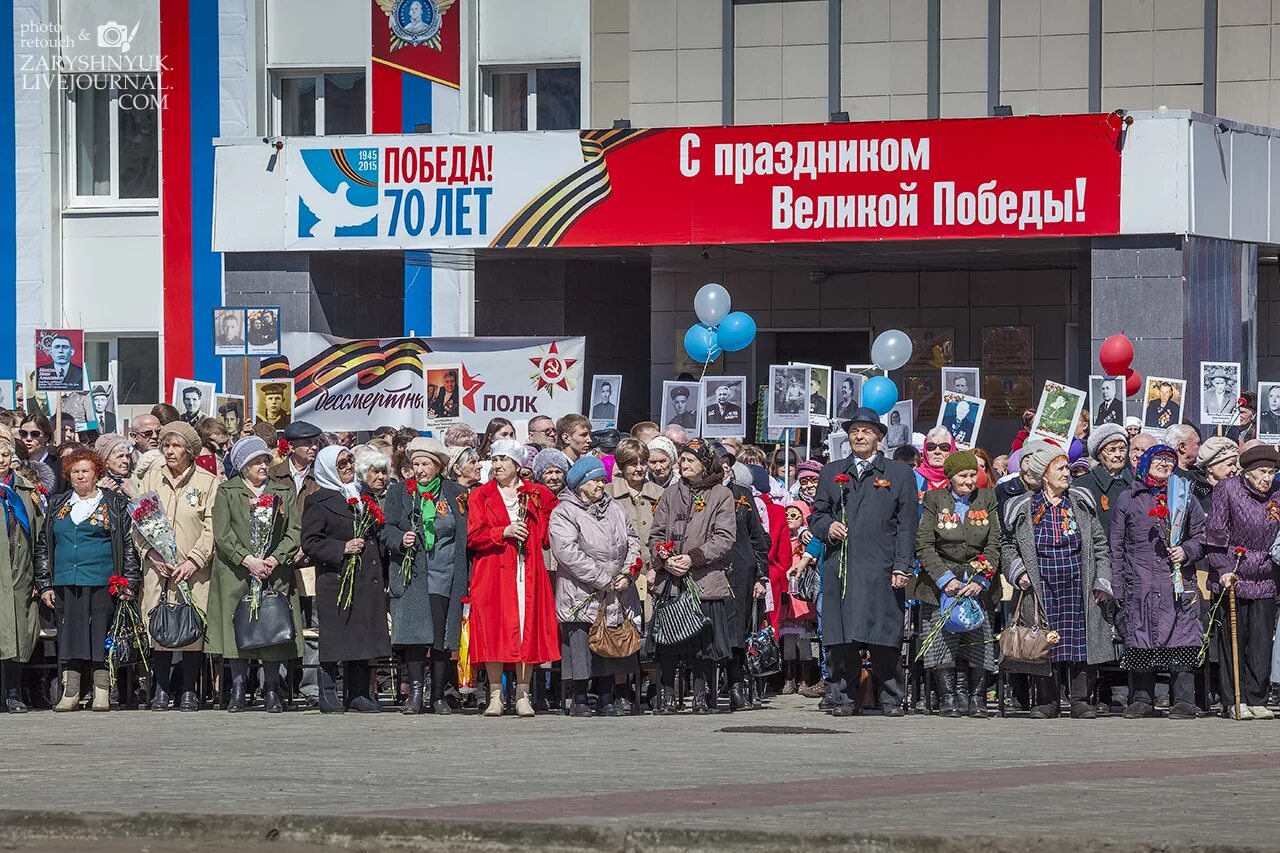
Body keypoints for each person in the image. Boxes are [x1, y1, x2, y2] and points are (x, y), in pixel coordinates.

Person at [808, 408, 918, 716]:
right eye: (854, 431)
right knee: (841, 637)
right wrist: (827, 527)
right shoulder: (832, 472)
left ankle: (891, 699)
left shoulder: (898, 473)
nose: (859, 436)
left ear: (879, 437)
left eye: (866, 431)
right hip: (841, 567)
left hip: (882, 567)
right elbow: (817, 515)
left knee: (884, 634)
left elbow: (908, 524)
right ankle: (844, 698)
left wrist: (902, 565)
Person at [1000, 444, 1115, 719]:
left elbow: (1099, 544)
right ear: (1044, 474)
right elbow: (1008, 546)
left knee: (1081, 641)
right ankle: (1047, 701)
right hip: (1040, 587)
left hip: (1079, 584)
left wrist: (1101, 581)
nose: (1067, 473)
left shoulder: (1080, 502)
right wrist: (1019, 572)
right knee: (1043, 642)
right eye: (1060, 468)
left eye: (1067, 468)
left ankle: (1080, 701)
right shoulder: (1022, 507)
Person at [36, 446, 140, 712]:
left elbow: (127, 544)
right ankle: (70, 692)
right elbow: (44, 545)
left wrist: (129, 581)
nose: (80, 476)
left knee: (100, 636)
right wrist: (45, 583)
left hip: (103, 582)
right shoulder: (58, 503)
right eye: (75, 472)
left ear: (97, 474)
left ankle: (101, 690)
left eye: (85, 471)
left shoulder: (113, 503)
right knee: (69, 637)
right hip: (66, 582)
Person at [206, 437, 303, 713]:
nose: (263, 466)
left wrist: (274, 558)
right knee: (237, 628)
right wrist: (247, 560)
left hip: (273, 572)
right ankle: (238, 690)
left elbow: (294, 531)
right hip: (236, 572)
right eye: (256, 461)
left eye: (265, 460)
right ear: (243, 466)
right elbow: (222, 533)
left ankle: (271, 689)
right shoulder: (227, 491)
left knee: (271, 626)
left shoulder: (281, 491)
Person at [1109, 444, 1206, 720]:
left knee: (1182, 638)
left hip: (1176, 584)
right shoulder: (1128, 498)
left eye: (1169, 460)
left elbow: (1201, 536)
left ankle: (1184, 700)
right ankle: (1142, 699)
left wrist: (1186, 550)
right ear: (1145, 464)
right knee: (1141, 637)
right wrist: (1118, 586)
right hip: (1139, 583)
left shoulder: (1185, 497)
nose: (1164, 464)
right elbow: (1116, 547)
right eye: (1159, 460)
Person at [466, 438, 560, 717]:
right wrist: (502, 532)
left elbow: (549, 532)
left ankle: (522, 693)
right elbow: (474, 536)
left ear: (518, 465)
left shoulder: (537, 494)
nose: (497, 465)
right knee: (493, 628)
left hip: (526, 570)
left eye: (503, 460)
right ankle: (495, 694)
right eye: (494, 460)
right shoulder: (481, 495)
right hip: (493, 570)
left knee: (526, 627)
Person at [134, 422, 220, 712]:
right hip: (158, 569)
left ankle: (188, 690)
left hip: (193, 571)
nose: (170, 451)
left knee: (190, 628)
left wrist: (194, 560)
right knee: (159, 628)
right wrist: (151, 554)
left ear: (190, 450)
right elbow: (138, 522)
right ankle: (161, 689)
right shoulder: (151, 478)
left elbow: (212, 527)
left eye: (176, 446)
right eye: (166, 446)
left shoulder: (207, 482)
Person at [646, 439, 735, 714]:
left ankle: (700, 695)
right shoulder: (671, 493)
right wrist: (664, 558)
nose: (683, 464)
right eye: (682, 460)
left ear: (704, 464)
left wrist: (693, 558)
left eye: (690, 460)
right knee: (668, 640)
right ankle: (668, 695)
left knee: (702, 642)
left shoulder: (721, 494)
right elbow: (655, 535)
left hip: (703, 578)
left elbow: (724, 537)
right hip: (671, 578)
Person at [548, 456, 642, 717]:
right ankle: (579, 699)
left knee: (609, 641)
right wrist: (602, 578)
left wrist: (627, 573)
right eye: (596, 480)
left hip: (616, 589)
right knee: (580, 643)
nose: (602, 485)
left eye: (603, 480)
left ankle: (606, 697)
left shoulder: (615, 508)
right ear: (581, 484)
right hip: (580, 591)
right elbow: (566, 551)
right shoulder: (564, 512)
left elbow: (633, 541)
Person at [380, 438, 468, 715]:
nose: (419, 470)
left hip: (445, 572)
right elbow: (386, 529)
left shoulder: (456, 493)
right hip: (412, 574)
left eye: (425, 464)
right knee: (414, 635)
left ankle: (438, 695)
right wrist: (400, 538)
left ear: (438, 466)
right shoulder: (399, 492)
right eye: (415, 464)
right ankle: (416, 694)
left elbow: (464, 531)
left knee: (441, 636)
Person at [302, 446, 392, 714]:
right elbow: (310, 542)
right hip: (337, 578)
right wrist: (341, 548)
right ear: (329, 468)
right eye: (341, 463)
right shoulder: (319, 500)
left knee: (363, 634)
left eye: (350, 460)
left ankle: (358, 693)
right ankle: (328, 692)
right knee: (336, 636)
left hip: (366, 577)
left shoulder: (363, 494)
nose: (348, 466)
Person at [913, 450, 1001, 717]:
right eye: (963, 476)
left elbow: (994, 543)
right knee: (942, 641)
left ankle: (977, 698)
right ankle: (947, 696)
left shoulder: (986, 498)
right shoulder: (935, 499)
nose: (969, 481)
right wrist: (945, 579)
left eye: (973, 475)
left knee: (979, 642)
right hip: (942, 582)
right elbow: (924, 544)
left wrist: (981, 579)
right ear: (950, 477)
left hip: (976, 582)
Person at [1209, 444, 1280, 719]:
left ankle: (1257, 697)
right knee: (1233, 641)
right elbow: (1216, 534)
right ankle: (1233, 700)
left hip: (1266, 576)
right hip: (1234, 574)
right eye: (1262, 472)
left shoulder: (1277, 494)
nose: (1267, 478)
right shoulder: (1227, 490)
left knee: (1261, 641)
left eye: (1271, 472)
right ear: (1248, 472)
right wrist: (1223, 568)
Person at [0, 436, 43, 712]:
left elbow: (40, 535)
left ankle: (14, 693)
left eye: (4, 454)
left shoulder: (26, 490)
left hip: (20, 573)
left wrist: (40, 577)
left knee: (16, 632)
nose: (0, 459)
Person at [1077, 423, 1130, 536]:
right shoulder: (1083, 485)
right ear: (1099, 455)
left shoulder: (1136, 483)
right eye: (1112, 450)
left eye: (1122, 449)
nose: (1118, 454)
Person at [19, 413, 62, 494]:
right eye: (23, 433)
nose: (28, 438)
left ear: (46, 436)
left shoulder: (60, 466)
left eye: (35, 434)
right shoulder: (15, 464)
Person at [93, 434, 136, 500]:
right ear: (106, 462)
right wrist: (104, 494)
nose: (126, 461)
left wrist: (135, 494)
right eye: (120, 456)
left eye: (127, 456)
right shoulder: (96, 486)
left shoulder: (138, 479)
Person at [915, 427, 955, 493]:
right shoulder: (913, 476)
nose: (937, 452)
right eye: (931, 447)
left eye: (944, 447)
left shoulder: (960, 476)